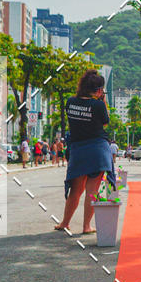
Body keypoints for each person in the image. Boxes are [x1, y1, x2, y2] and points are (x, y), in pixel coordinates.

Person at [54, 70, 115, 235]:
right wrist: (102, 102)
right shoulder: (98, 105)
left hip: (78, 149)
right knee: (92, 190)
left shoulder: (70, 102)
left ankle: (65, 223)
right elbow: (104, 123)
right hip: (98, 149)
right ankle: (86, 226)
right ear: (98, 90)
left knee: (76, 189)